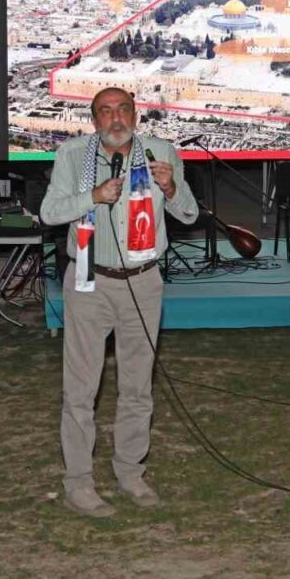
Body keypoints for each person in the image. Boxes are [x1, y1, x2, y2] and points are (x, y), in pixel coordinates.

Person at [40, 87, 198, 517]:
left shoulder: (161, 152)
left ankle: (130, 472)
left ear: (136, 114)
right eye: (105, 112)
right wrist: (91, 198)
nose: (115, 119)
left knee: (137, 386)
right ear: (94, 120)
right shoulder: (72, 155)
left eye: (122, 110)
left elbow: (189, 215)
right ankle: (78, 483)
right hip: (90, 280)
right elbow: (50, 213)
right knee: (80, 390)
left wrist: (170, 189)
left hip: (144, 283)